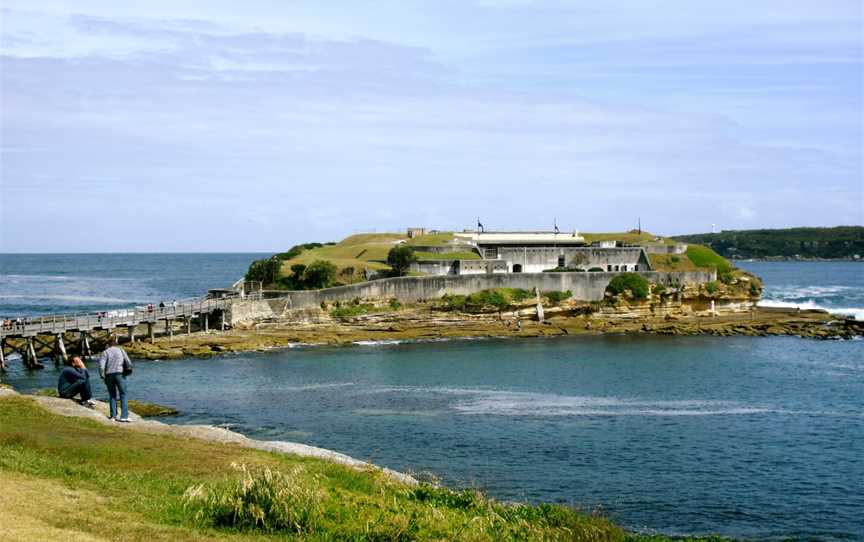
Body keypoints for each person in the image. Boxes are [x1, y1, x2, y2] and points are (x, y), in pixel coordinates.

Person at [97, 336, 132, 422]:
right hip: (120, 374)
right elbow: (128, 361)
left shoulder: (105, 352)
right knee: (123, 394)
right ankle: (124, 416)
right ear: (116, 342)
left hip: (109, 375)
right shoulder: (121, 350)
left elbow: (101, 366)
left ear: (108, 343)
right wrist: (129, 371)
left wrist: (102, 376)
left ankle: (113, 416)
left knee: (112, 395)